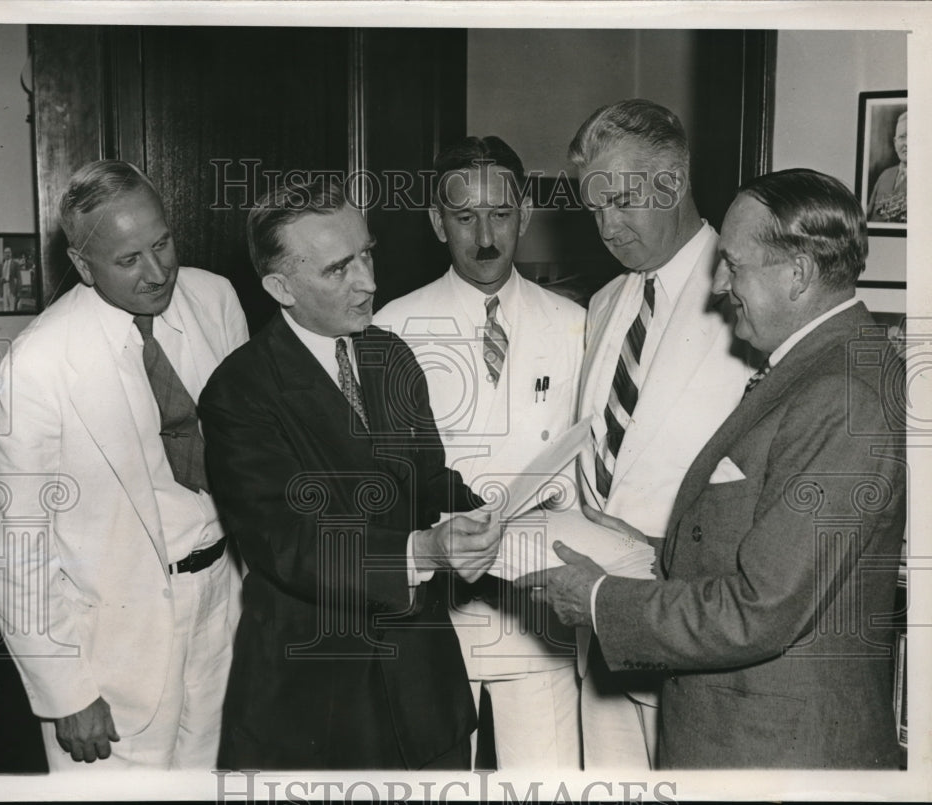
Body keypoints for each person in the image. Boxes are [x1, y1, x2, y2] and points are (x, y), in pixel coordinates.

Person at [525, 168, 905, 769]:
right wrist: (652, 546)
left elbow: (761, 610)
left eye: (734, 265)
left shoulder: (841, 394)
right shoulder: (815, 367)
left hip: (775, 749)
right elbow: (767, 541)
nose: (719, 284)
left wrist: (599, 600)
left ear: (799, 276)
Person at [199, 175, 502, 770]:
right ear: (280, 287)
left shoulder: (390, 354)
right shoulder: (240, 392)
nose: (369, 282)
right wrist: (421, 551)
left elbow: (428, 480)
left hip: (425, 693)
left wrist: (492, 511)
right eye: (339, 269)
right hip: (318, 701)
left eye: (367, 254)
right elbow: (289, 544)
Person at [0, 160, 248, 770]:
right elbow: (17, 541)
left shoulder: (215, 299)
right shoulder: (40, 363)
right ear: (82, 265)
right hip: (112, 649)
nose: (158, 273)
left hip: (223, 610)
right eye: (128, 260)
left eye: (163, 244)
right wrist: (65, 690)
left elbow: (246, 454)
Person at [374, 136, 585, 768]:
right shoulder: (391, 328)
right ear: (438, 223)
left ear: (523, 214)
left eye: (499, 215)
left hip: (538, 605)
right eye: (465, 218)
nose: (485, 237)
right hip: (436, 611)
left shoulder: (574, 324)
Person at [567, 98, 754, 766]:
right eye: (594, 209)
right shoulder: (607, 301)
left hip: (698, 629)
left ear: (673, 182)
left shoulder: (749, 296)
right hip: (602, 625)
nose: (608, 227)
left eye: (622, 200)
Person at [868, 111, 907, 223]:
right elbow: (867, 217)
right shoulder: (885, 175)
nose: (906, 143)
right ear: (895, 143)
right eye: (902, 137)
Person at [0, 246, 16, 311]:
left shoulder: (15, 264)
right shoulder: (2, 264)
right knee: (5, 306)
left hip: (11, 285)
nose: (7, 254)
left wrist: (18, 291)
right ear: (4, 254)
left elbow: (19, 278)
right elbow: (0, 276)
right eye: (6, 252)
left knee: (12, 306)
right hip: (4, 286)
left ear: (11, 253)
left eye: (8, 252)